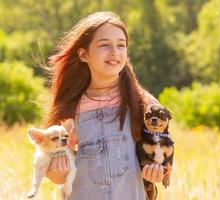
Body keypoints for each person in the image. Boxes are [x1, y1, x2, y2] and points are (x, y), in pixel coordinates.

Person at [44, 11, 171, 200]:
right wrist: (56, 173)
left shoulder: (144, 104)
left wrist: (158, 171)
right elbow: (54, 168)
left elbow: (164, 155)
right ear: (83, 54)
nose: (115, 52)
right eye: (104, 45)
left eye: (121, 45)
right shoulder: (71, 108)